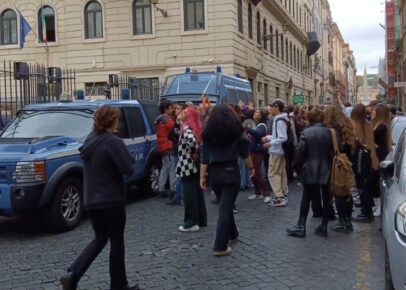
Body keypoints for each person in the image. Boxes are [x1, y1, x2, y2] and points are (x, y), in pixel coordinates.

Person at [61, 106, 138, 290]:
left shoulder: (90, 140)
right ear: (112, 121)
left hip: (91, 199)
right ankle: (119, 284)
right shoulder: (113, 141)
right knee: (116, 242)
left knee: (100, 238)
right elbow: (128, 168)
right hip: (111, 198)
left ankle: (73, 274)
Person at [200, 104, 254, 256]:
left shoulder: (208, 133)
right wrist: (251, 168)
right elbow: (245, 153)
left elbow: (204, 157)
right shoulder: (236, 132)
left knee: (225, 204)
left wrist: (202, 177)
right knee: (225, 207)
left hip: (214, 174)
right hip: (231, 171)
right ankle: (220, 245)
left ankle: (233, 233)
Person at [286, 107, 334, 238]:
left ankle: (301, 226)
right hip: (327, 169)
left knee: (306, 198)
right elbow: (335, 151)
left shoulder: (306, 133)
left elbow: (300, 153)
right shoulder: (331, 132)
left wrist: (297, 168)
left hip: (310, 169)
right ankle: (324, 226)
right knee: (326, 198)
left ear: (310, 118)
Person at [324, 105, 358, 233]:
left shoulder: (332, 129)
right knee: (347, 193)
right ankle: (348, 221)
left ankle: (342, 221)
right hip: (348, 161)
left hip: (337, 163)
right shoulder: (348, 124)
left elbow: (331, 148)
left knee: (338, 193)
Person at [176, 106, 207, 232]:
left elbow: (191, 141)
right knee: (197, 192)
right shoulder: (193, 127)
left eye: (184, 113)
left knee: (189, 194)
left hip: (187, 164)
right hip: (192, 164)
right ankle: (200, 219)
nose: (181, 114)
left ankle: (191, 222)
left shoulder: (187, 128)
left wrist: (193, 151)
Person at [350, 104, 379, 223]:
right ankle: (367, 211)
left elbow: (356, 143)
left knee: (362, 188)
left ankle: (366, 213)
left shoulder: (355, 125)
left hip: (361, 160)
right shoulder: (369, 124)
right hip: (371, 159)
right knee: (366, 187)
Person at [262, 99, 289, 207]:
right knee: (281, 173)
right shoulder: (280, 119)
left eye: (272, 106)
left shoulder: (279, 120)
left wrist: (270, 143)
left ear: (277, 107)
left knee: (273, 174)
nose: (270, 108)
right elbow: (278, 135)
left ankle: (279, 197)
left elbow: (282, 137)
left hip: (276, 151)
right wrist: (268, 138)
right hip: (279, 151)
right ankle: (283, 194)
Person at [246, 108, 271, 203]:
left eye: (257, 112)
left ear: (261, 115)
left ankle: (266, 193)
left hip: (257, 151)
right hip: (252, 150)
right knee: (252, 173)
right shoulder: (256, 124)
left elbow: (258, 134)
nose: (255, 113)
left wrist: (247, 129)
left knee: (257, 172)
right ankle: (257, 192)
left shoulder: (262, 125)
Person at [371, 104, 392, 216]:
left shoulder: (381, 127)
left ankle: (380, 207)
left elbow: (379, 143)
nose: (372, 111)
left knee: (378, 181)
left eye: (374, 110)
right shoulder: (379, 124)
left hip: (380, 155)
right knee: (376, 181)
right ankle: (378, 206)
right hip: (379, 154)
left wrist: (372, 144)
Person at [155, 100, 177, 198]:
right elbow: (174, 128)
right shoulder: (168, 119)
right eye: (171, 108)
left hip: (161, 147)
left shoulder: (158, 119)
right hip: (168, 146)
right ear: (166, 109)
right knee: (172, 168)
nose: (173, 110)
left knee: (164, 168)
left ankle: (161, 189)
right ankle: (173, 189)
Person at [167, 103, 187, 205]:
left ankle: (179, 196)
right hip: (175, 150)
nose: (175, 110)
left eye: (178, 108)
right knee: (178, 173)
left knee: (180, 174)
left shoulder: (186, 122)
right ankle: (179, 196)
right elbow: (170, 135)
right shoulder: (176, 122)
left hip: (182, 151)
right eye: (175, 109)